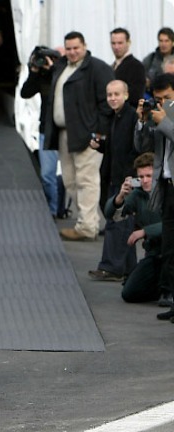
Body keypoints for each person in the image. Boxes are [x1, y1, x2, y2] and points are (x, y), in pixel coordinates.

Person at [43, 31, 114, 241]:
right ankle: (87, 221)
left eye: (76, 48)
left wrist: (99, 133)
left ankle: (87, 226)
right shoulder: (62, 66)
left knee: (86, 180)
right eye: (69, 48)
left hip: (88, 135)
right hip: (65, 133)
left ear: (84, 46)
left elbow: (107, 103)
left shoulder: (98, 68)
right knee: (70, 180)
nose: (72, 52)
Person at [87, 80, 139, 281]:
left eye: (116, 94)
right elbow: (116, 146)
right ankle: (127, 267)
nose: (112, 98)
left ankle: (111, 267)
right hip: (115, 176)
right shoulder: (115, 117)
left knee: (116, 223)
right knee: (121, 223)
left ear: (126, 94)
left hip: (124, 178)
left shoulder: (132, 117)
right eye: (109, 95)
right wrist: (100, 146)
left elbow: (136, 147)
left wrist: (131, 177)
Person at [135, 73, 174, 321]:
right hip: (167, 187)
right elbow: (142, 147)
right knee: (170, 248)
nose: (163, 103)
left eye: (168, 97)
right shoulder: (160, 114)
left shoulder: (167, 116)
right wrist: (142, 122)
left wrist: (164, 122)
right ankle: (171, 297)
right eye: (158, 98)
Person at [104, 153, 162, 303]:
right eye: (141, 177)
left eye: (149, 176)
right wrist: (120, 197)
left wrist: (144, 232)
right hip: (154, 252)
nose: (145, 181)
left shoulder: (168, 191)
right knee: (130, 293)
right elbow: (112, 215)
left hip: (169, 249)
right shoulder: (138, 194)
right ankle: (159, 287)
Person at [21, 45, 64, 218]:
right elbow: (25, 93)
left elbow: (62, 84)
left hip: (67, 129)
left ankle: (61, 208)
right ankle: (52, 211)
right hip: (47, 129)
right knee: (47, 174)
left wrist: (54, 68)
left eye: (53, 57)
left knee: (72, 176)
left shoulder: (65, 73)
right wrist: (34, 71)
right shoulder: (42, 76)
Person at [110, 28, 145, 108]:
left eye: (120, 43)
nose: (116, 47)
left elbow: (136, 96)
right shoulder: (112, 66)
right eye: (113, 43)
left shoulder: (136, 66)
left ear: (128, 42)